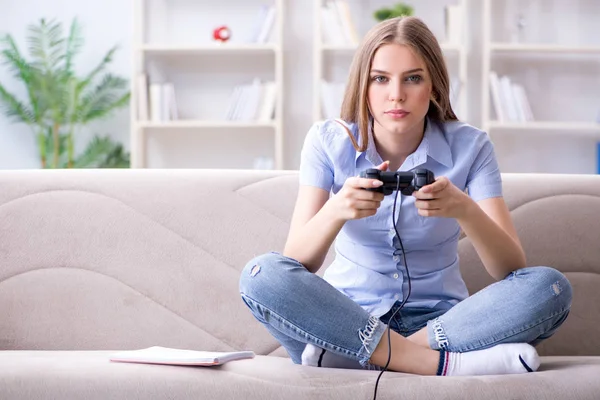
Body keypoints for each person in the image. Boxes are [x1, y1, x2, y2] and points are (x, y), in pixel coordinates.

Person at [239, 16, 572, 376]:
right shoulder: (327, 141)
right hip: (344, 317)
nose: (396, 94)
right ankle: (441, 366)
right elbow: (297, 261)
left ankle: (362, 360)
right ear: (362, 86)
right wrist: (338, 209)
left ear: (433, 86)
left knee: (549, 287)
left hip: (440, 324)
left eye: (412, 78)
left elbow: (511, 269)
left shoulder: (471, 147)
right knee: (262, 275)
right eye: (380, 79)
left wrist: (465, 210)